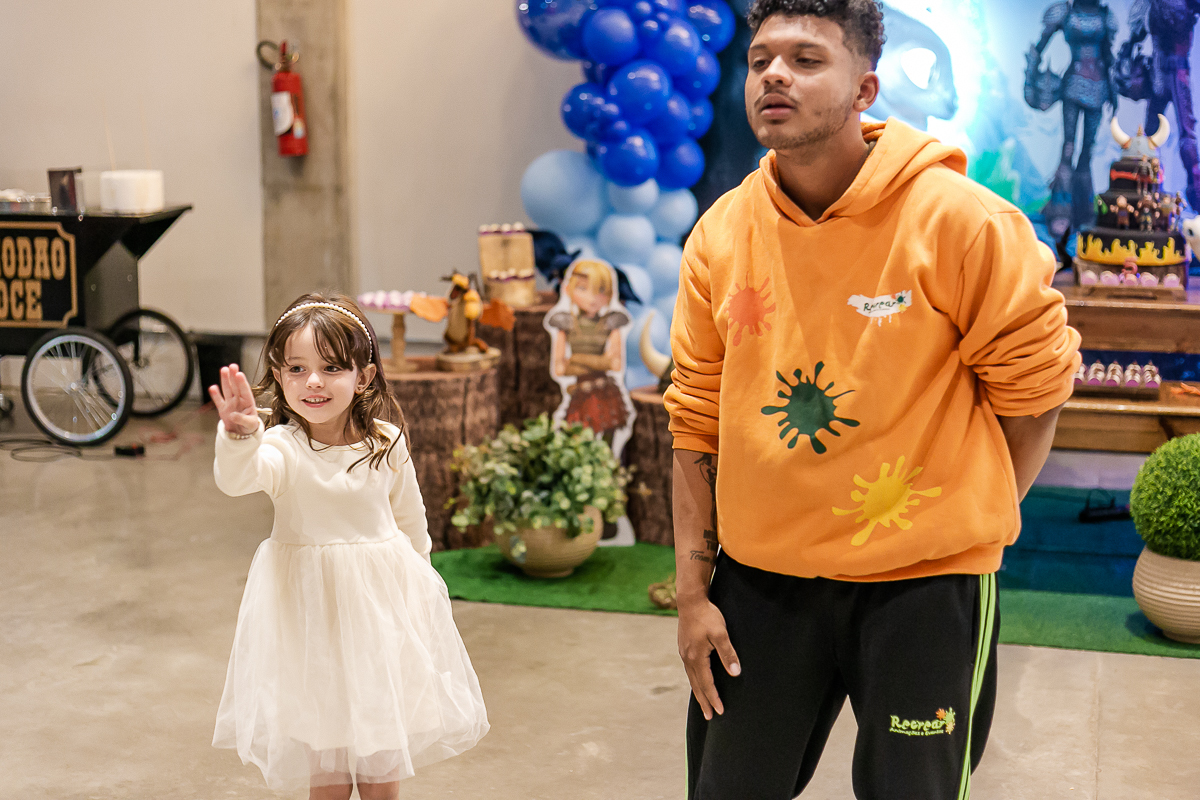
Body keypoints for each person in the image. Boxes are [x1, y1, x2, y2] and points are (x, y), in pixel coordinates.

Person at [664, 2, 1082, 799]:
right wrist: (693, 593)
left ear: (865, 88)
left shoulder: (961, 221)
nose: (775, 75)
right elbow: (695, 423)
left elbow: (1034, 399)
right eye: (759, 61)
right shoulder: (721, 234)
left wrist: (959, 522)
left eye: (805, 59)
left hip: (924, 591)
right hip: (762, 583)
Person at [207, 293, 489, 800]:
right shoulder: (282, 448)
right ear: (278, 373)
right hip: (310, 623)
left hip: (381, 618)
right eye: (297, 367)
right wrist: (240, 436)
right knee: (328, 760)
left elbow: (411, 521)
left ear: (363, 377)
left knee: (382, 762)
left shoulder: (386, 442)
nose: (313, 381)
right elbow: (239, 478)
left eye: (331, 367)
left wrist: (424, 595)